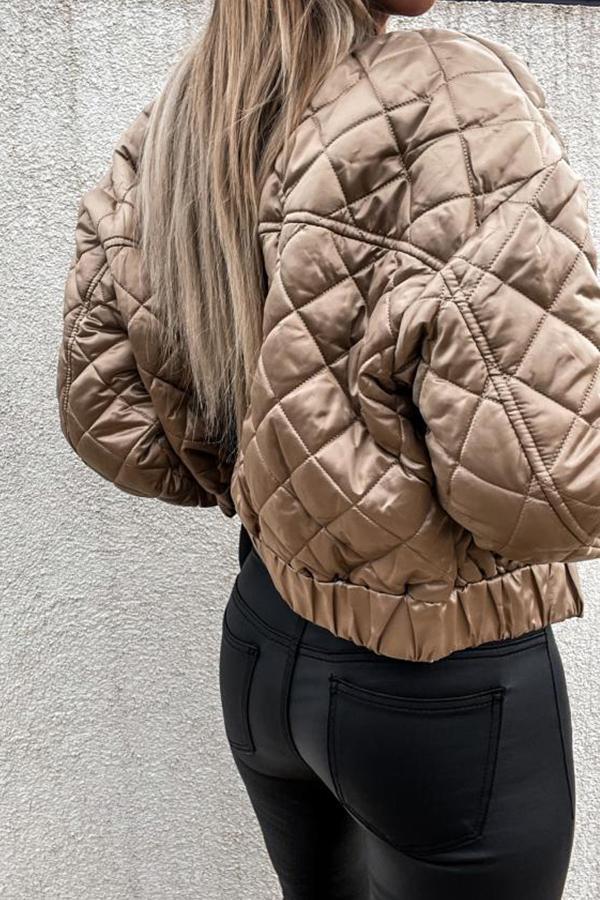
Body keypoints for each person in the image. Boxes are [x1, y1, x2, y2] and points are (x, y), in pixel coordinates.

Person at [55, 1, 600, 897]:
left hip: (262, 646)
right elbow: (548, 489)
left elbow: (108, 417)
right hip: (439, 688)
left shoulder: (176, 129)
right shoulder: (449, 100)